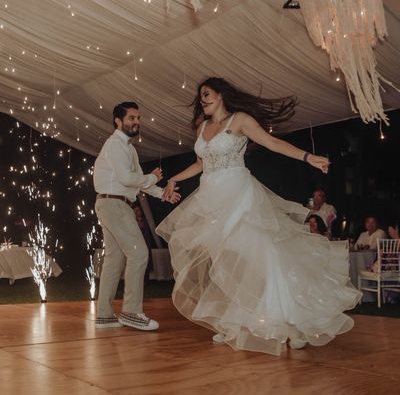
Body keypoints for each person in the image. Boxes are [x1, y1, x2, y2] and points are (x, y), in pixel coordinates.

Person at [156, 77, 361, 355]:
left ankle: (293, 323)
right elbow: (201, 163)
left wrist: (307, 157)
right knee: (227, 261)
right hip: (211, 198)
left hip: (238, 195)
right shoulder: (201, 127)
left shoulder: (239, 120)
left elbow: (272, 143)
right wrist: (173, 180)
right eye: (200, 96)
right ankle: (237, 322)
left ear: (221, 95)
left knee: (262, 257)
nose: (202, 99)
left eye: (206, 94)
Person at [93, 101, 180, 331]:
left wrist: (163, 194)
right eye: (132, 118)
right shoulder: (115, 145)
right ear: (118, 121)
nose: (136, 122)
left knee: (114, 259)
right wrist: (153, 177)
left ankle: (104, 315)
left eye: (138, 118)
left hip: (111, 203)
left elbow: (138, 181)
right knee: (139, 253)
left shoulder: (129, 148)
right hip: (114, 203)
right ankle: (131, 312)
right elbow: (128, 179)